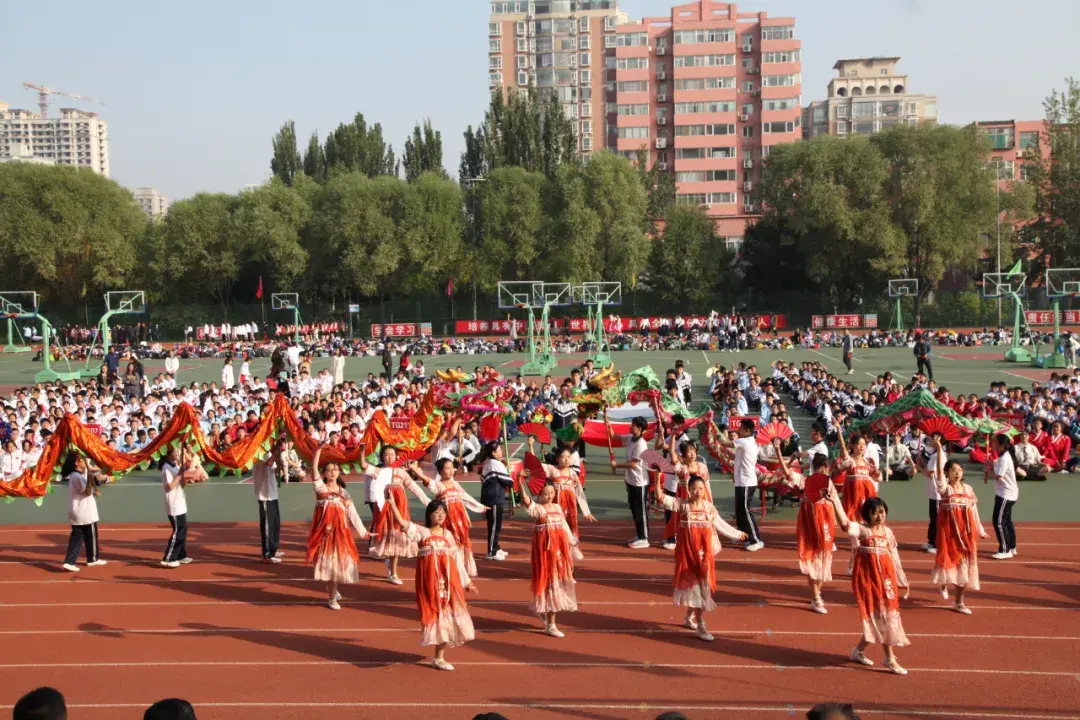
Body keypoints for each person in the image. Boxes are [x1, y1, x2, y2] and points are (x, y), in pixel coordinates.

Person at [386, 497, 479, 671]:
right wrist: (392, 504)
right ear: (429, 515)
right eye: (437, 512)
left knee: (446, 614)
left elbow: (457, 560)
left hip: (448, 581)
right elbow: (403, 523)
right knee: (434, 614)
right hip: (429, 581)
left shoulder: (448, 535)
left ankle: (439, 657)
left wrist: (467, 582)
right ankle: (438, 657)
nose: (440, 515)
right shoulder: (422, 532)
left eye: (443, 512)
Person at [653, 471, 746, 641]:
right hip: (687, 555)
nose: (698, 492)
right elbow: (661, 498)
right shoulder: (683, 505)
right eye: (695, 489)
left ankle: (691, 618)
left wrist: (737, 534)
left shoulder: (708, 507)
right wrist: (657, 478)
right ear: (688, 490)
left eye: (701, 488)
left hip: (705, 556)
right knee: (694, 588)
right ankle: (700, 625)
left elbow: (720, 524)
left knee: (703, 588)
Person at [826, 489, 911, 675]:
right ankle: (889, 659)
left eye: (882, 512)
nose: (879, 516)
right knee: (882, 618)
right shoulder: (863, 530)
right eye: (875, 513)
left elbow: (894, 556)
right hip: (868, 581)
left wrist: (901, 578)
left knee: (883, 618)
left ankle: (858, 652)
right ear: (867, 515)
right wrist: (834, 501)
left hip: (886, 581)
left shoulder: (888, 533)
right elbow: (845, 525)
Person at [931, 436, 991, 614]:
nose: (957, 473)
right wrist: (939, 449)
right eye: (953, 470)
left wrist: (980, 529)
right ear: (947, 473)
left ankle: (959, 602)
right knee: (947, 561)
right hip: (948, 533)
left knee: (964, 566)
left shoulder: (968, 489)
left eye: (959, 470)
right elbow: (939, 474)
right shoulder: (945, 489)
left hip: (966, 533)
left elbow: (974, 510)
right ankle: (943, 582)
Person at [306, 444, 371, 610]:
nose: (332, 472)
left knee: (337, 563)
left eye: (335, 470)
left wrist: (364, 532)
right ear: (324, 474)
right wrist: (318, 451)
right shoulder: (320, 488)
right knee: (329, 564)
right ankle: (331, 597)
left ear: (339, 472)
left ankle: (333, 590)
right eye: (329, 470)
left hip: (340, 533)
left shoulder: (344, 493)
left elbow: (353, 514)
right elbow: (314, 469)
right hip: (325, 534)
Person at [518, 479, 581, 637]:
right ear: (539, 495)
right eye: (546, 493)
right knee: (549, 586)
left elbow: (565, 527)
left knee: (556, 585)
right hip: (544, 555)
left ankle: (550, 621)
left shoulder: (558, 508)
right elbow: (525, 499)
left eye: (552, 492)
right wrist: (519, 482)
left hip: (558, 555)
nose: (550, 496)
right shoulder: (538, 509)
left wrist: (572, 542)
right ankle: (550, 623)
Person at [411, 457, 488, 579]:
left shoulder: (455, 484)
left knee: (462, 543)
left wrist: (481, 507)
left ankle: (461, 571)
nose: (451, 471)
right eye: (447, 468)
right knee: (450, 544)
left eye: (452, 468)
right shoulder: (438, 486)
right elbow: (428, 481)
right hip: (447, 521)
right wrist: (417, 472)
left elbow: (466, 498)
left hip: (460, 521)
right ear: (440, 471)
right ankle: (450, 568)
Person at [362, 447, 430, 584]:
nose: (389, 457)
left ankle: (393, 573)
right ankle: (389, 562)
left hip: (400, 509)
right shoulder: (379, 471)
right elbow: (363, 465)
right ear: (382, 457)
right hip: (384, 509)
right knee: (386, 537)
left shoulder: (402, 473)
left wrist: (429, 503)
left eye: (392, 454)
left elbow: (415, 489)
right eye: (386, 454)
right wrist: (361, 451)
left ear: (396, 457)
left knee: (396, 538)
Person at [779, 452, 835, 614]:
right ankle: (816, 597)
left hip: (825, 526)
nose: (823, 471)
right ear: (814, 468)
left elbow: (835, 503)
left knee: (823, 560)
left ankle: (817, 593)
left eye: (825, 468)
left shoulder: (829, 483)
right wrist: (777, 452)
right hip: (809, 525)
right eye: (820, 468)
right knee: (812, 559)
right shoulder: (805, 481)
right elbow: (788, 473)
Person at [527, 436, 596, 556]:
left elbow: (579, 493)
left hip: (570, 506)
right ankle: (557, 550)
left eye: (568, 457)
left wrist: (586, 512)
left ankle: (570, 550)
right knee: (557, 528)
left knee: (571, 527)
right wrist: (531, 445)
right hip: (557, 506)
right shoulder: (552, 470)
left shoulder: (573, 474)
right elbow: (536, 465)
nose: (566, 460)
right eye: (563, 457)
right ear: (557, 458)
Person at [607, 415, 651, 549]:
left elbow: (633, 464)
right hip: (631, 480)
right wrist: (608, 425)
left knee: (641, 510)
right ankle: (639, 534)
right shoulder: (630, 438)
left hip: (640, 482)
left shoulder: (641, 444)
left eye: (633, 425)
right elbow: (614, 436)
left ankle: (644, 538)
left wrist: (616, 465)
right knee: (634, 509)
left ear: (639, 428)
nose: (630, 426)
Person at [664, 435, 713, 551]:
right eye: (689, 451)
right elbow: (672, 452)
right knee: (681, 519)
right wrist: (673, 435)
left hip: (701, 498)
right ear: (683, 454)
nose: (692, 454)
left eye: (694, 451)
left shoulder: (702, 467)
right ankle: (677, 539)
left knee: (701, 520)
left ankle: (701, 542)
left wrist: (710, 500)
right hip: (684, 498)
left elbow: (707, 484)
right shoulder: (681, 468)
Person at [62, 454, 107, 572]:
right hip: (85, 511)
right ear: (76, 463)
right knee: (91, 536)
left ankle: (69, 561)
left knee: (77, 537)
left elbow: (89, 486)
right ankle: (92, 558)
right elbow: (87, 491)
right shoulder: (77, 476)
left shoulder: (76, 475)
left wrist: (93, 484)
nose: (85, 462)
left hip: (76, 510)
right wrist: (90, 481)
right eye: (82, 460)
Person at [479, 441, 515, 560]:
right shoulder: (496, 464)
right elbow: (509, 482)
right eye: (499, 450)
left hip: (491, 497)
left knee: (495, 525)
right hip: (494, 499)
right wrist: (509, 473)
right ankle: (491, 552)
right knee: (494, 526)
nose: (501, 452)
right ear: (494, 453)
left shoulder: (489, 463)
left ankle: (496, 547)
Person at [986, 432, 1020, 559]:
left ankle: (1005, 550)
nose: (993, 444)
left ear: (1001, 445)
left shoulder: (1005, 458)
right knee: (1006, 520)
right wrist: (991, 465)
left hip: (1006, 494)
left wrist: (988, 470)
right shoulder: (1004, 457)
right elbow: (998, 469)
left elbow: (998, 476)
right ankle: (1012, 546)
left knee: (998, 521)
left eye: (995, 442)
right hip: (1007, 493)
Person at [160, 446, 195, 569]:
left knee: (183, 530)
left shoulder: (174, 465)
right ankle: (169, 558)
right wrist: (180, 474)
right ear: (169, 454)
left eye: (177, 451)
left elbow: (180, 483)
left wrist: (183, 477)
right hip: (173, 503)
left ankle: (181, 555)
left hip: (180, 501)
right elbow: (169, 486)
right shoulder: (166, 468)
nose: (177, 453)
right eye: (175, 451)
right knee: (178, 530)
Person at [252, 439, 285, 563]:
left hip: (273, 495)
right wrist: (276, 452)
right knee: (267, 526)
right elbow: (268, 463)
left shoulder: (268, 454)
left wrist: (280, 462)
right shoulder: (257, 457)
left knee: (275, 524)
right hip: (264, 496)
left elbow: (274, 469)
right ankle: (267, 554)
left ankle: (273, 549)